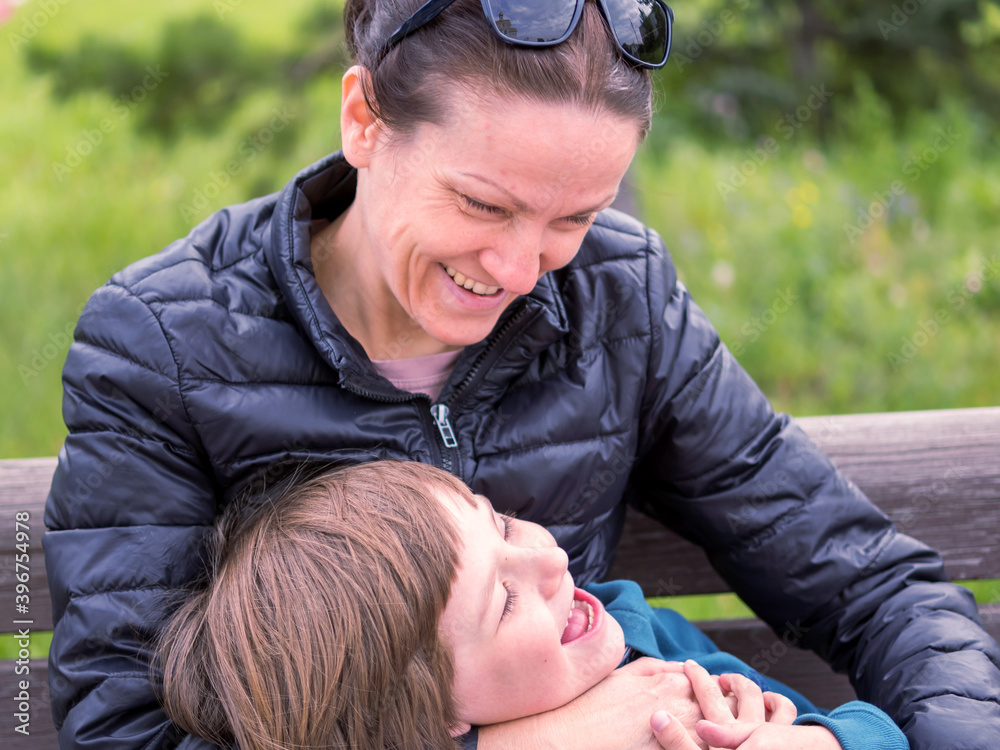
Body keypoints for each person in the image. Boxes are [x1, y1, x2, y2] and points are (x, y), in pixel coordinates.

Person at [43, 1, 999, 748]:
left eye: (573, 216)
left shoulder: (617, 295)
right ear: (364, 120)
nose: (518, 268)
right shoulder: (163, 344)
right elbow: (128, 729)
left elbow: (865, 587)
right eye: (482, 203)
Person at [157, 459, 909, 750]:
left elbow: (876, 733)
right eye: (505, 601)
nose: (550, 559)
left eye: (503, 523)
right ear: (437, 711)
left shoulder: (652, 646)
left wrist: (820, 745)